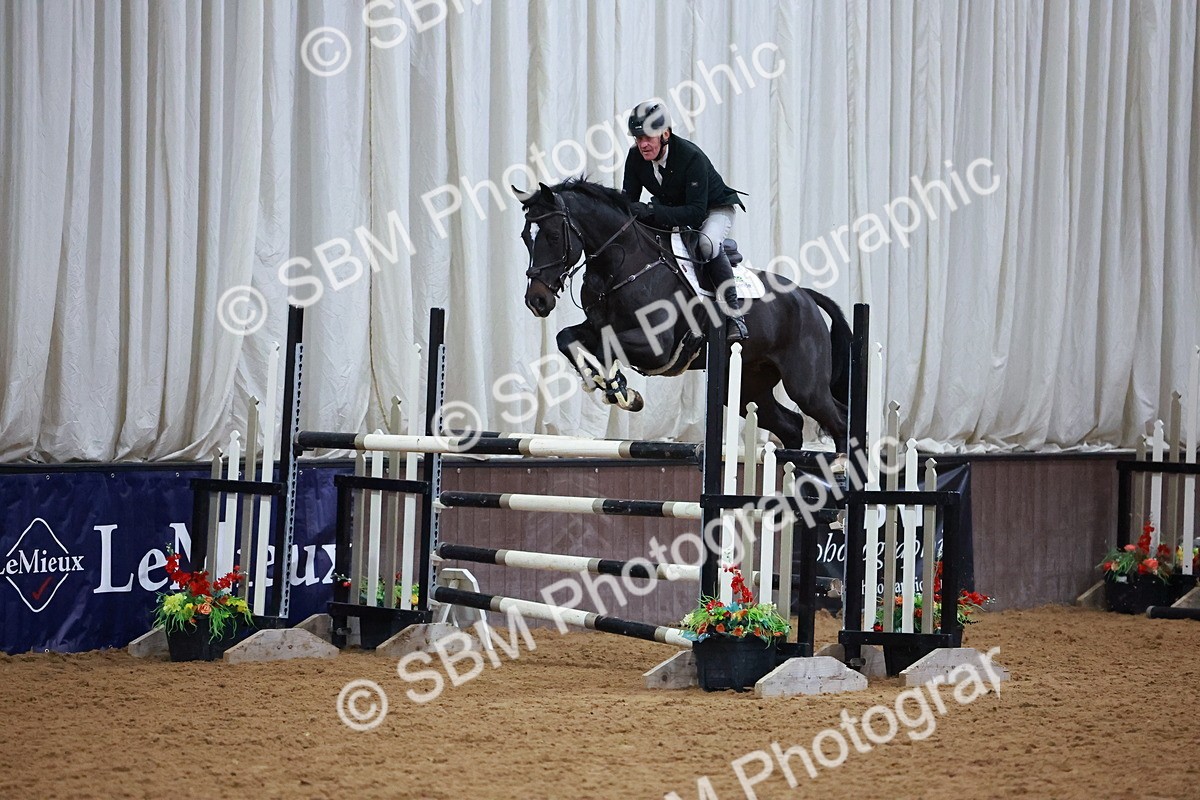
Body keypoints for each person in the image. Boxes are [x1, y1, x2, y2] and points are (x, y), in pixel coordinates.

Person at [621, 100, 748, 342]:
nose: (643, 145)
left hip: (713, 208)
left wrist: (651, 212)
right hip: (674, 208)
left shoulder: (691, 157)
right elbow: (628, 200)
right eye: (638, 139)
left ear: (665, 134)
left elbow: (696, 214)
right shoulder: (635, 157)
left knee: (706, 245)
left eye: (648, 137)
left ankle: (734, 315)